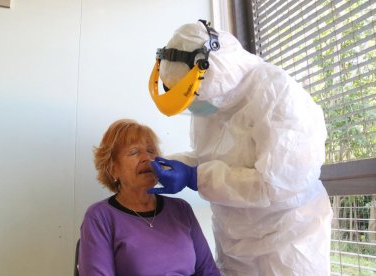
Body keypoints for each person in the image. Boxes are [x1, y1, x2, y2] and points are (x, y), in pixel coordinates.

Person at [147, 20, 333, 275]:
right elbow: (212, 158)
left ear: (210, 71)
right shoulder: (214, 105)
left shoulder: (278, 95)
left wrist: (193, 177)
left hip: (288, 243)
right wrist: (169, 164)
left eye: (193, 97)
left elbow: (274, 184)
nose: (192, 108)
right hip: (234, 243)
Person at [78, 119, 220, 276]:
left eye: (151, 151)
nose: (147, 158)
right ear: (113, 170)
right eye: (134, 152)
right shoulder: (100, 217)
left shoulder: (181, 209)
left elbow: (208, 271)